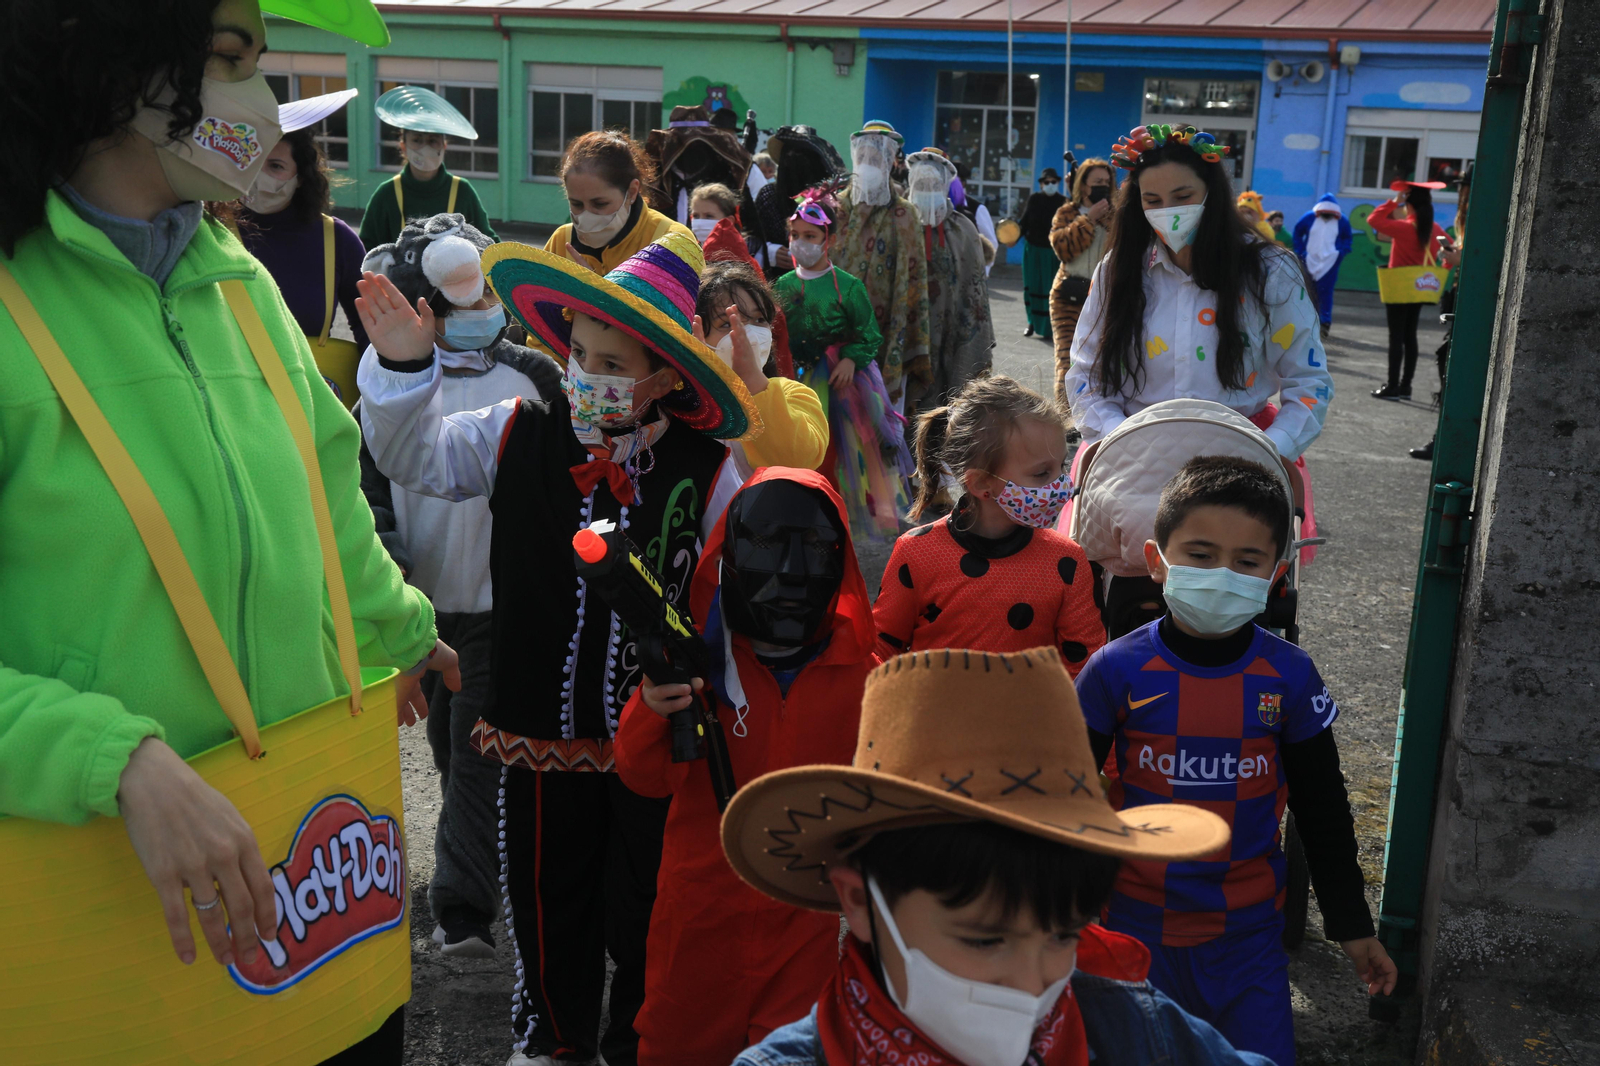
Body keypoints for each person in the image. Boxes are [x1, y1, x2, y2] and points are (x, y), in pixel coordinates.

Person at [0, 1, 455, 1062]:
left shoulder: (240, 282)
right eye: (227, 61)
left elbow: (328, 503)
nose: (260, 102)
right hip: (96, 924)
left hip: (313, 905)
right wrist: (116, 761)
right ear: (108, 71)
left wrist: (401, 627)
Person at [356, 230, 758, 1066]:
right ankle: (550, 1042)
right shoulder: (515, 430)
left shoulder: (710, 470)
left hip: (656, 745)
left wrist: (710, 696)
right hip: (537, 729)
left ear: (663, 380)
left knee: (647, 908)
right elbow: (411, 453)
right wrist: (400, 369)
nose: (585, 374)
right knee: (547, 903)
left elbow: (729, 605)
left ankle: (636, 1043)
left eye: (611, 363)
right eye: (578, 352)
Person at [722, 645, 1273, 1066]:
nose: (1033, 983)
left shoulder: (1124, 1023)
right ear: (860, 902)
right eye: (985, 939)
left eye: (1063, 935)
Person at [1075, 456, 1398, 1065]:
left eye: (1246, 562)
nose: (1222, 574)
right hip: (1134, 931)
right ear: (1156, 561)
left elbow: (1323, 808)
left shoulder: (1291, 677)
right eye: (1199, 554)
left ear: (1275, 575)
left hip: (1249, 938)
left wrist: (1353, 925)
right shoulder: (1113, 670)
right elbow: (1064, 796)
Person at [615, 468, 873, 1066]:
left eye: (812, 547)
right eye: (764, 543)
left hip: (801, 923)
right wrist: (655, 710)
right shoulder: (697, 670)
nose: (788, 569)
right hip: (699, 912)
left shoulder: (865, 678)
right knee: (677, 1046)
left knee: (789, 1054)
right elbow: (643, 776)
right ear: (726, 557)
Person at [357, 213, 563, 958]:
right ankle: (481, 861)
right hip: (424, 608)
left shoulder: (536, 377)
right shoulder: (391, 377)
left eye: (485, 299)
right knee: (450, 748)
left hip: (497, 604)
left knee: (478, 751)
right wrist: (394, 587)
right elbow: (368, 491)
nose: (477, 316)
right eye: (456, 303)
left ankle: (464, 909)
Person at [1065, 123, 1330, 477]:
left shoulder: (1270, 270)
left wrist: (1270, 448)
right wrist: (1121, 439)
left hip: (1245, 464)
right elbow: (1086, 374)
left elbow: (1309, 380)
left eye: (1183, 196)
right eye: (1153, 201)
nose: (1168, 211)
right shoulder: (1118, 271)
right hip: (1131, 462)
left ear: (1212, 194)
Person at [875, 375, 1102, 674]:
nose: (1060, 484)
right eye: (1041, 473)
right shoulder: (917, 553)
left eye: (1060, 467)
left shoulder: (1067, 561)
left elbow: (1084, 665)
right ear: (982, 483)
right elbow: (881, 648)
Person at [774, 187, 910, 540]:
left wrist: (850, 359)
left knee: (838, 452)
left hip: (840, 384)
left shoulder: (847, 287)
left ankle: (833, 515)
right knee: (799, 445)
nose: (800, 243)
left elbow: (869, 335)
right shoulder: (784, 285)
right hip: (797, 378)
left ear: (828, 240)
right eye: (795, 235)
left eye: (810, 236)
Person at [238, 89, 370, 407]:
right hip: (234, 402)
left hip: (309, 403)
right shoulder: (213, 233)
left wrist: (382, 396)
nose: (260, 176)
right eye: (252, 161)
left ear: (302, 176)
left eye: (276, 166)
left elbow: (369, 330)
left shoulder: (336, 239)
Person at [693, 254, 829, 475]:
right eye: (727, 323)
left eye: (758, 320)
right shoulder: (678, 398)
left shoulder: (793, 394)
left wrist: (753, 383)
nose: (747, 335)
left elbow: (797, 460)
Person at [832, 120, 931, 408]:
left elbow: (914, 282)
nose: (867, 165)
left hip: (887, 331)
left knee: (878, 421)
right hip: (834, 336)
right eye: (862, 158)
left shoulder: (905, 214)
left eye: (875, 159)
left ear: (889, 161)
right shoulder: (835, 209)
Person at [905, 146, 994, 408]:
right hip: (908, 332)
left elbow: (974, 288)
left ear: (946, 184)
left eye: (934, 183)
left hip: (953, 330)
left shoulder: (962, 228)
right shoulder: (900, 225)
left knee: (949, 401)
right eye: (921, 183)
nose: (927, 188)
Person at [358, 85, 497, 247]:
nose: (425, 147)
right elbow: (365, 249)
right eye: (417, 140)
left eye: (432, 140)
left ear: (444, 146)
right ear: (403, 146)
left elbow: (487, 242)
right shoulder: (387, 194)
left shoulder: (462, 191)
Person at [547, 129, 693, 276]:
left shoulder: (672, 241)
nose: (587, 215)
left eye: (600, 204)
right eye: (577, 204)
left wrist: (597, 292)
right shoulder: (561, 240)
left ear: (632, 192)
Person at [1366, 179, 1449, 400]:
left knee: (1396, 337)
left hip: (1398, 287)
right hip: (1420, 289)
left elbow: (1373, 219)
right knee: (1410, 336)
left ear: (1409, 205)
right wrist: (1441, 269)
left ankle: (1392, 387)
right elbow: (1450, 250)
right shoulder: (1435, 229)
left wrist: (1394, 202)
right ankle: (1405, 387)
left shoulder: (1403, 228)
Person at [1413, 163, 1473, 461]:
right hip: (1460, 304)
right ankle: (1445, 439)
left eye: (1462, 186)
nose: (1460, 192)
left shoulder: (1480, 212)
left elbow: (1481, 256)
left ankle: (1447, 441)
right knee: (1446, 364)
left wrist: (1458, 257)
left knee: (1451, 368)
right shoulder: (1470, 216)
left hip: (1470, 308)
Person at [1049, 157, 1115, 400]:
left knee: (1099, 362)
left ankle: (1093, 411)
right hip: (1067, 295)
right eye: (1097, 181)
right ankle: (1066, 414)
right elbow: (1062, 249)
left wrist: (1107, 218)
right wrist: (1088, 220)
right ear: (1083, 184)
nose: (1103, 186)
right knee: (1067, 359)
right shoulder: (1067, 212)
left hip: (1102, 298)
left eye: (1107, 182)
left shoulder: (1116, 215)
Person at [751, 125, 846, 276]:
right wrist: (769, 252)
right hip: (775, 281)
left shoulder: (830, 201)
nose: (794, 164)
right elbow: (751, 235)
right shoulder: (769, 194)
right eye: (788, 156)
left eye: (803, 157)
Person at [643, 104, 752, 224]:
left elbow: (746, 220)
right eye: (681, 142)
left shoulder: (722, 172)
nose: (690, 148)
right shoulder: (659, 177)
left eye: (696, 141)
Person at [1293, 194, 1354, 341]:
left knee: (1325, 292)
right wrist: (1300, 251)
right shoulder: (1309, 218)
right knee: (1307, 290)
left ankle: (1324, 322)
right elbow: (1297, 233)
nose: (1327, 216)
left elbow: (1348, 238)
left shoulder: (1342, 221)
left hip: (1330, 262)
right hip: (1308, 260)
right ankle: (1305, 321)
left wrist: (1341, 252)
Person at [1019, 167, 1067, 340]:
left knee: (1051, 289)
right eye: (1047, 182)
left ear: (1058, 183)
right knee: (1031, 286)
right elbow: (1024, 223)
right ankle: (1031, 322)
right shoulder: (1034, 199)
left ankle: (1051, 326)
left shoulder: (1064, 202)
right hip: (1032, 250)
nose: (1050, 185)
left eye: (1053, 182)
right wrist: (1012, 235)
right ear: (1041, 184)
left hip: (1053, 253)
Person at [688, 180, 740, 245]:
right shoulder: (685, 251)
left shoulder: (736, 253)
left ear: (729, 221)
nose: (700, 223)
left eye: (709, 216)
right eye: (696, 216)